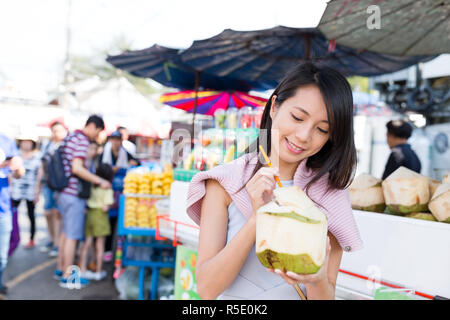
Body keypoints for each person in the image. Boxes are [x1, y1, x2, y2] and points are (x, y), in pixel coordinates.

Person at [186, 62, 363, 300]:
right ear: (274, 106)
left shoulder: (329, 194)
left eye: (322, 130)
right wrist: (256, 218)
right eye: (298, 117)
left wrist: (317, 279)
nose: (304, 136)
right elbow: (207, 289)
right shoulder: (226, 181)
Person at [55, 115, 111, 289]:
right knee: (72, 236)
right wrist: (99, 180)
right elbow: (77, 168)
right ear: (93, 126)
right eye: (99, 131)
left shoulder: (71, 136)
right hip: (73, 194)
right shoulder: (82, 140)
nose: (98, 135)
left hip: (63, 192)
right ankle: (68, 276)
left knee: (65, 233)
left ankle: (61, 268)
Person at [100, 130, 139, 262]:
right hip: (107, 193)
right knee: (107, 224)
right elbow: (100, 171)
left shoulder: (125, 154)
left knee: (121, 223)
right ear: (110, 140)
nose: (116, 142)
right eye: (113, 140)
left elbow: (136, 162)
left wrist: (133, 163)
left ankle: (119, 251)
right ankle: (106, 250)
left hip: (122, 195)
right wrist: (110, 170)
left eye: (118, 140)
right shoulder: (104, 154)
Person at [36, 121, 68, 257]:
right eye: (54, 130)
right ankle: (52, 239)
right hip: (48, 185)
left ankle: (57, 243)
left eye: (59, 130)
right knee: (48, 213)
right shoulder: (47, 145)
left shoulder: (66, 146)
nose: (57, 133)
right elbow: (42, 166)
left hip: (61, 186)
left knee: (57, 214)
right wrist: (37, 186)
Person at [78, 163, 114, 281]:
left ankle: (82, 269)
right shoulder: (107, 187)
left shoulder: (92, 185)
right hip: (101, 215)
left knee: (87, 243)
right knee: (100, 245)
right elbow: (106, 207)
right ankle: (98, 271)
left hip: (90, 214)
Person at [0, 133, 25, 295]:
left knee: (2, 257)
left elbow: (18, 174)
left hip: (3, 208)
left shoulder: (7, 141)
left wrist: (17, 168)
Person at [10, 134, 42, 249]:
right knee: (12, 215)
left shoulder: (38, 156)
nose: (26, 144)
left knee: (31, 215)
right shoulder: (15, 155)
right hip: (16, 189)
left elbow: (40, 175)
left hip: (31, 190)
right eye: (24, 141)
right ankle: (11, 238)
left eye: (28, 142)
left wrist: (37, 192)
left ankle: (32, 239)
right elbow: (10, 172)